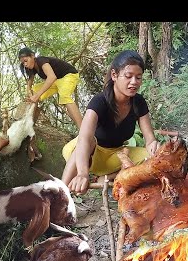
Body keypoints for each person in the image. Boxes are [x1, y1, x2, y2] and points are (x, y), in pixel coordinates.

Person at [62, 50, 160, 195]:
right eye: (128, 76)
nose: (134, 82)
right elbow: (84, 139)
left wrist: (154, 147)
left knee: (155, 160)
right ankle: (60, 193)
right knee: (87, 142)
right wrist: (83, 174)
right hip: (89, 155)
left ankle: (108, 177)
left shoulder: (138, 102)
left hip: (117, 156)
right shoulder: (99, 102)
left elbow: (150, 139)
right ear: (114, 75)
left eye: (138, 77)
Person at [18, 47, 83, 130]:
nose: (25, 64)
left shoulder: (41, 60)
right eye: (23, 63)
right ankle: (30, 123)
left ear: (32, 56)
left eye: (26, 61)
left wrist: (37, 96)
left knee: (64, 97)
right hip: (56, 81)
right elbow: (30, 82)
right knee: (34, 89)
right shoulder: (32, 68)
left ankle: (82, 129)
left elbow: (52, 77)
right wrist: (29, 92)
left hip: (69, 75)